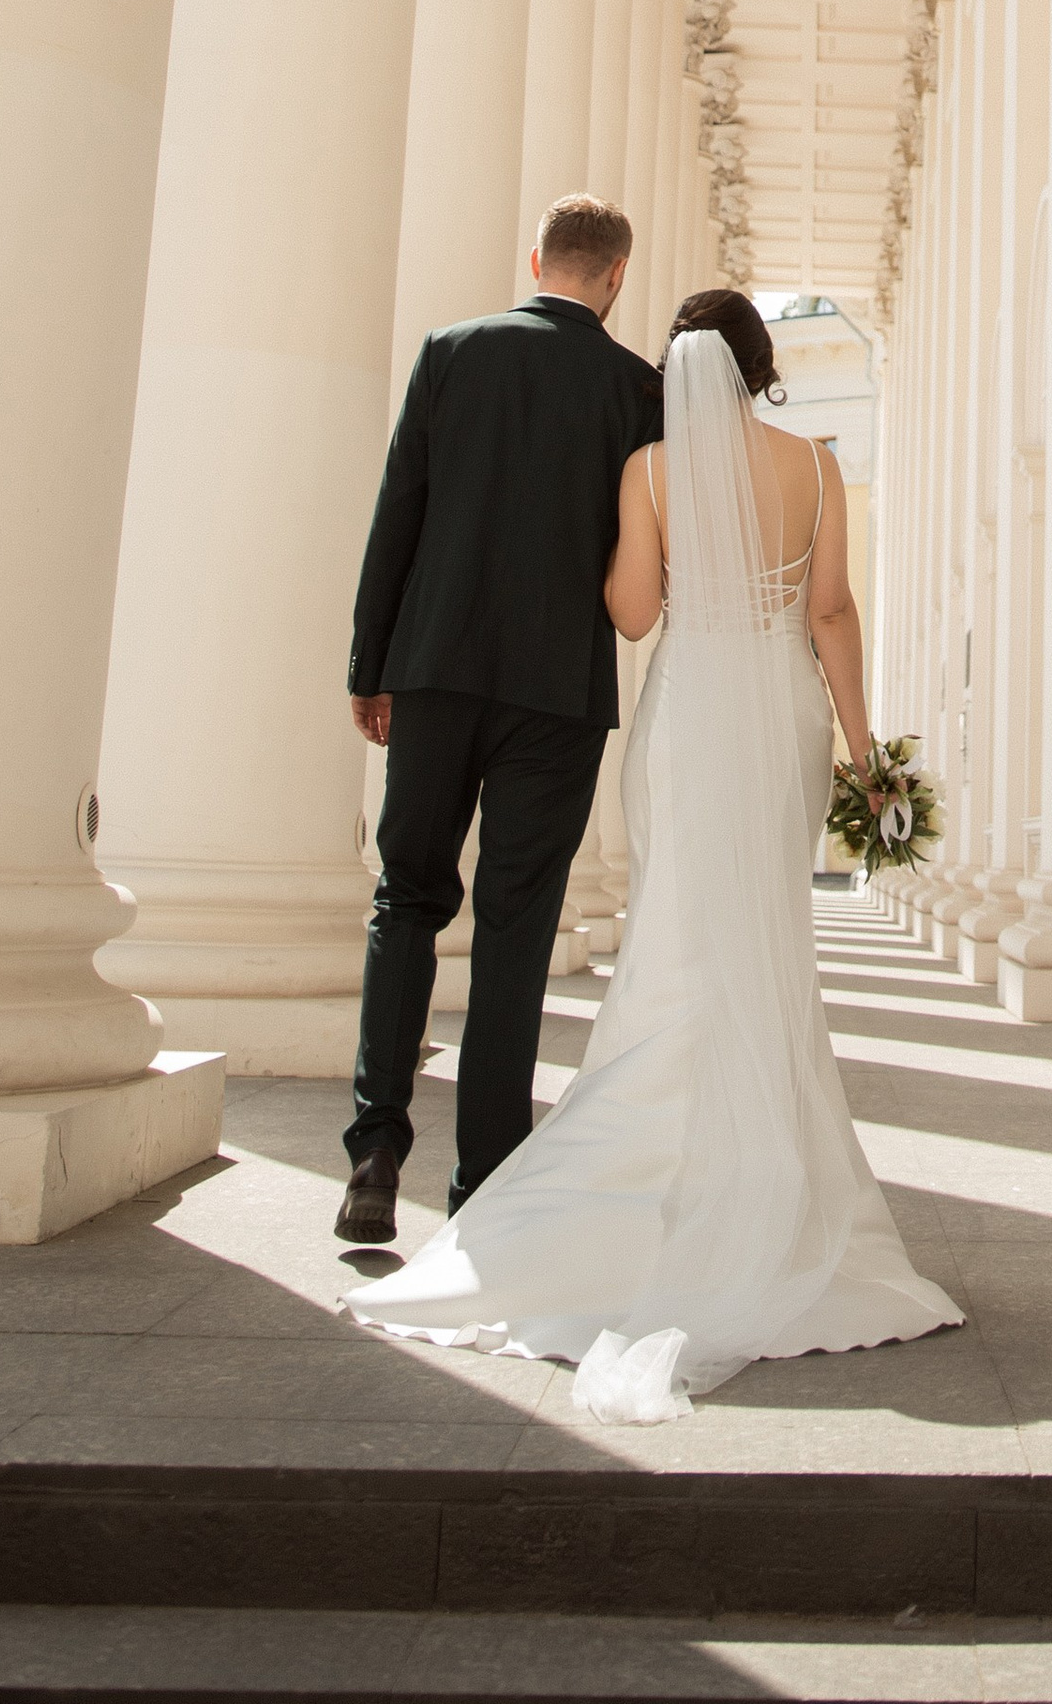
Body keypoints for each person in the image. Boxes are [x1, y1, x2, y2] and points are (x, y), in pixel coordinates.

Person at [345, 289, 964, 1411]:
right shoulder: (817, 467)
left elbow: (631, 616)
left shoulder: (649, 469)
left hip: (690, 710)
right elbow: (830, 612)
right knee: (767, 936)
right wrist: (865, 752)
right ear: (762, 364)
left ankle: (633, 1173)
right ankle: (768, 1178)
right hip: (781, 714)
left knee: (677, 925)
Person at [334, 194, 661, 1245]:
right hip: (558, 691)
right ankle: (485, 1178)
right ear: (616, 275)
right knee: (516, 927)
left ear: (536, 260)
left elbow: (401, 513)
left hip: (433, 669)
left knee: (409, 899)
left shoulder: (450, 352)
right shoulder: (635, 391)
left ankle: (377, 1146)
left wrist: (369, 665)